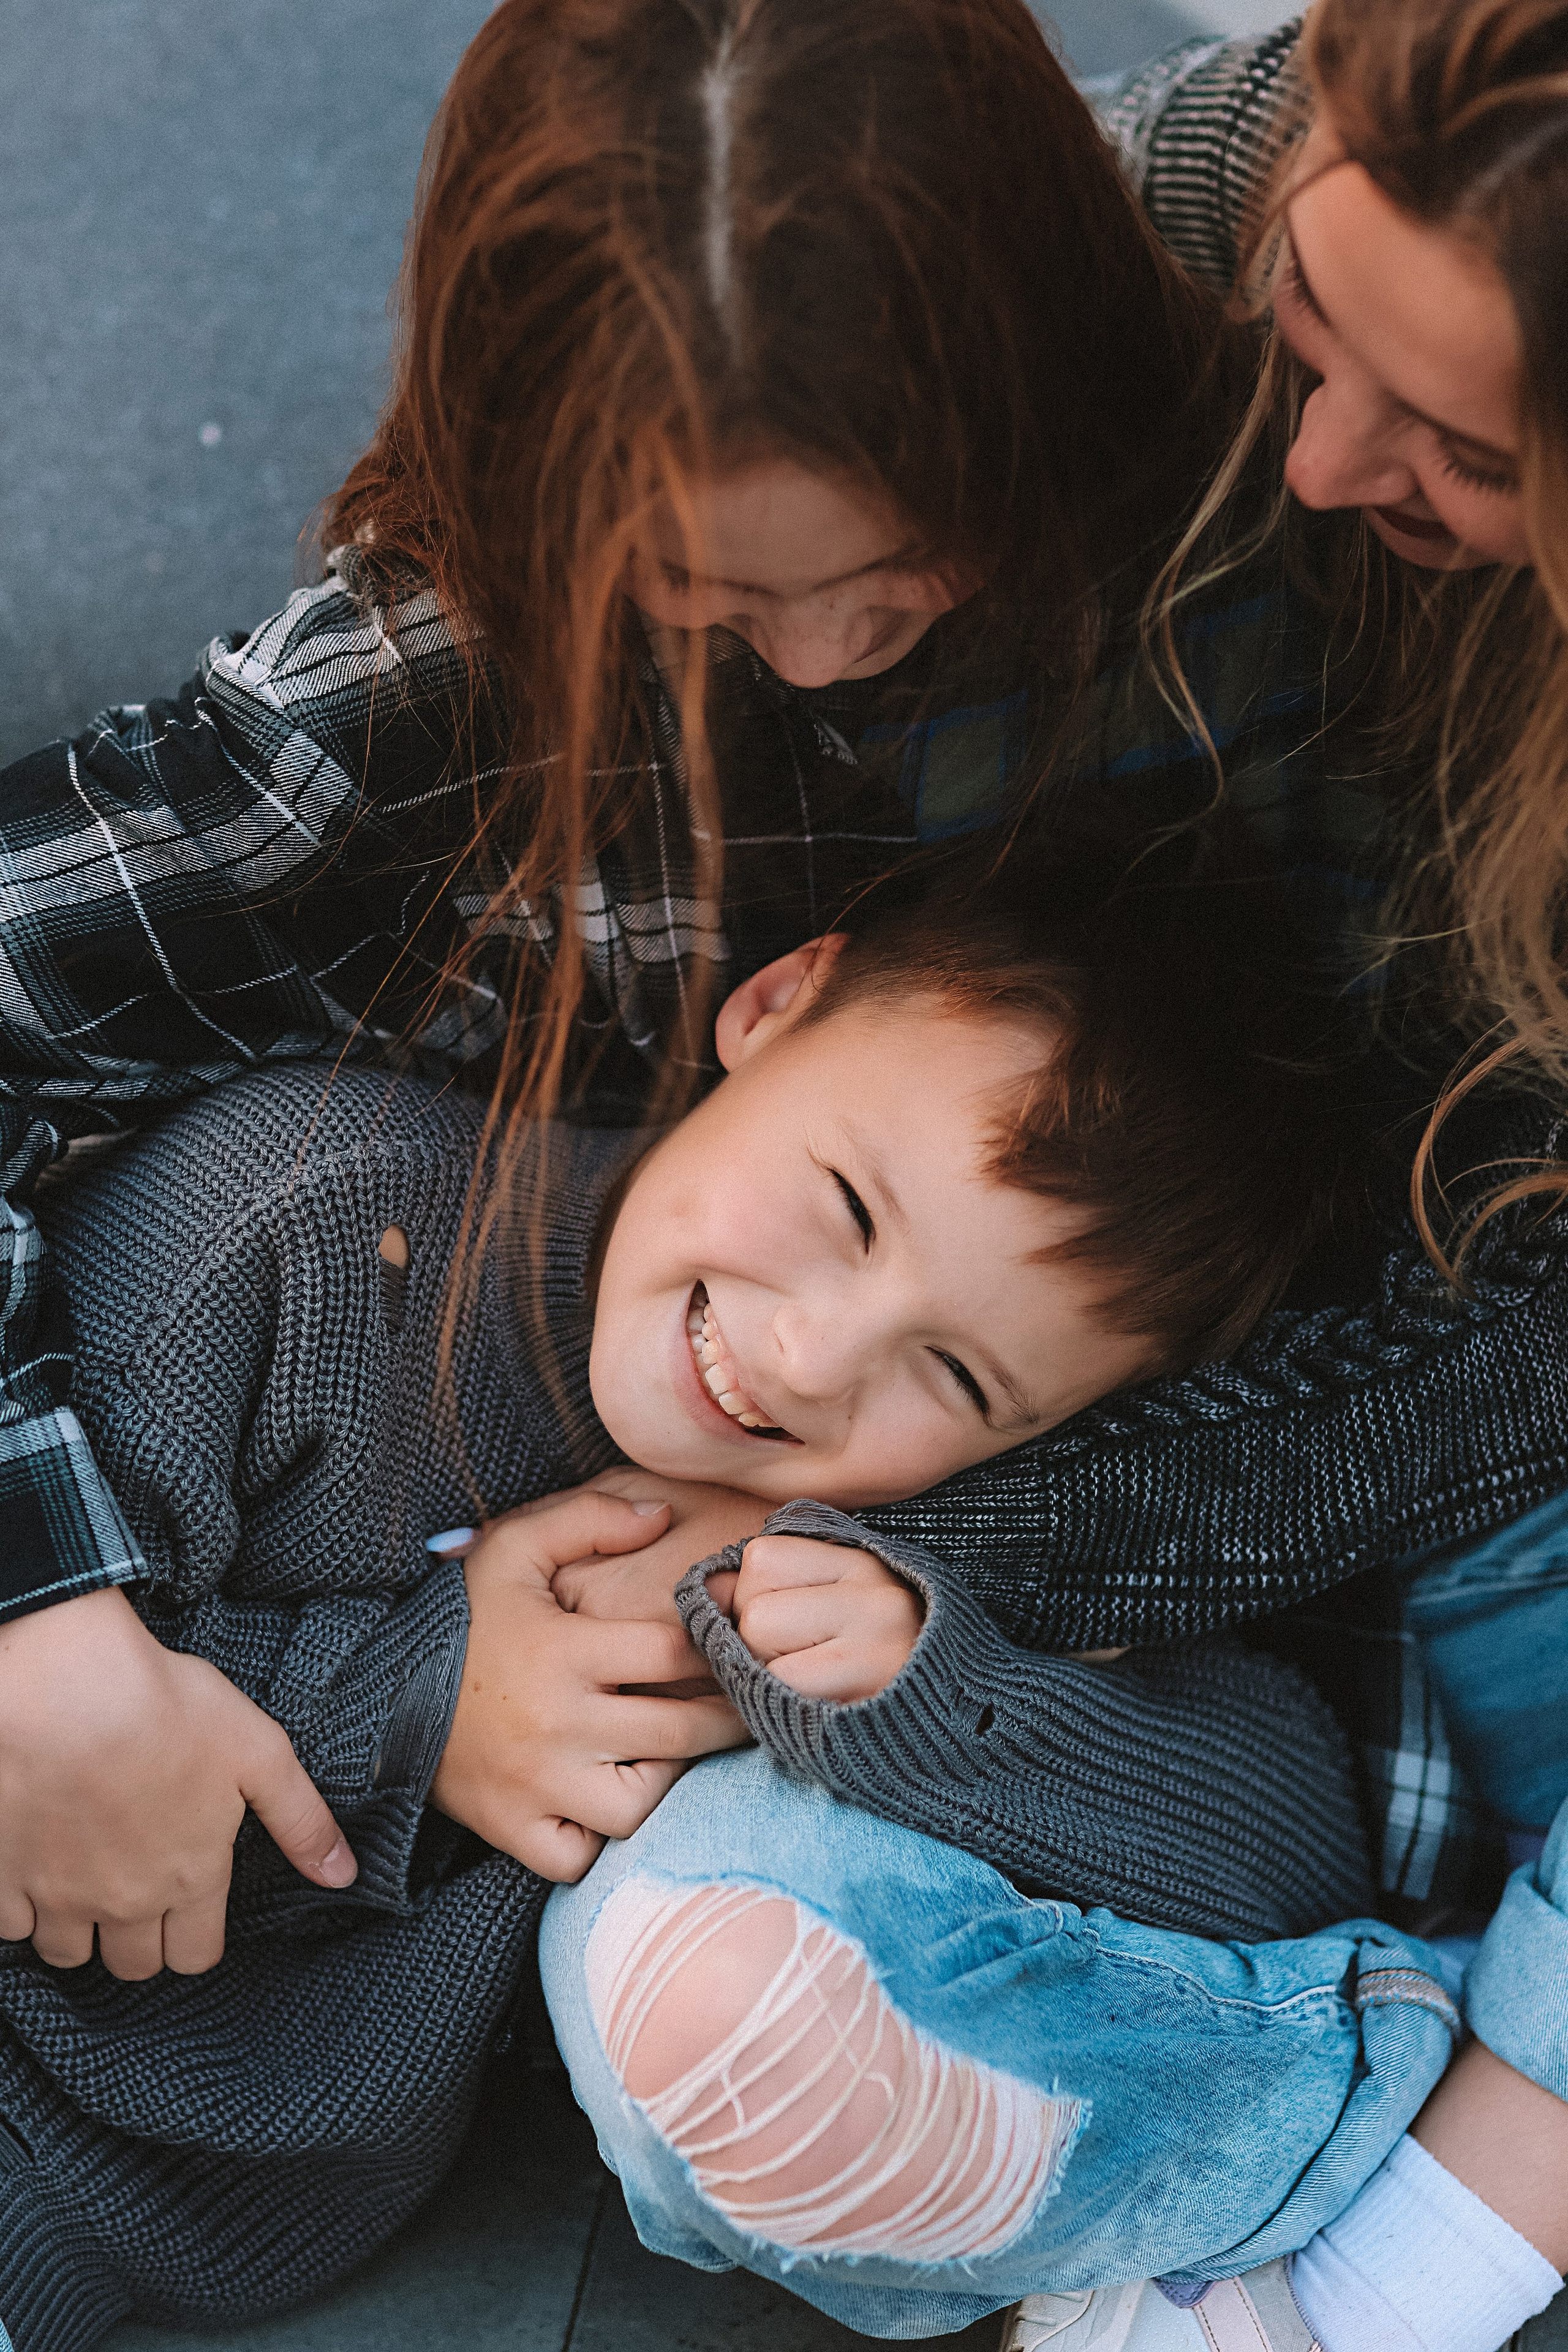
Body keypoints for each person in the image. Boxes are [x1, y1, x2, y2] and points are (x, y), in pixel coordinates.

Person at [6, 0, 1568, 2012]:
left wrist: (898, 1560)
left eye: (915, 565)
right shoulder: (417, 692)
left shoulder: (1291, 469)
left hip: (1195, 1499)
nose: (826, 661)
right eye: (706, 590)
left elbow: (1500, 1299)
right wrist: (38, 1599)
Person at [0, 881, 1431, 2351]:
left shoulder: (876, 1552)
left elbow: (1294, 1857)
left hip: (155, 2212)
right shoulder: (303, 1225)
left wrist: (940, 1701)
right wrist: (424, 1716)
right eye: (850, 1208)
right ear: (771, 1005)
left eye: (955, 1376)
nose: (812, 1358)